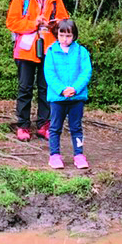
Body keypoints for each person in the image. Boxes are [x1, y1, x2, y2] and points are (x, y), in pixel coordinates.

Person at [6, 0, 69, 142]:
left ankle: (44, 125)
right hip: (26, 48)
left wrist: (55, 24)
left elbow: (64, 19)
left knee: (45, 87)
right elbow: (12, 22)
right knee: (25, 88)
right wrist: (34, 23)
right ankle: (23, 125)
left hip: (49, 48)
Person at [42, 18, 92, 169]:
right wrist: (61, 90)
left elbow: (86, 72)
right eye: (62, 35)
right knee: (55, 127)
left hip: (77, 98)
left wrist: (75, 89)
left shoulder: (81, 52)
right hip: (57, 98)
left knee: (76, 127)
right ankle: (54, 155)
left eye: (68, 35)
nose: (65, 39)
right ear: (57, 34)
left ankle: (79, 154)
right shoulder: (51, 51)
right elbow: (49, 74)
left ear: (74, 36)